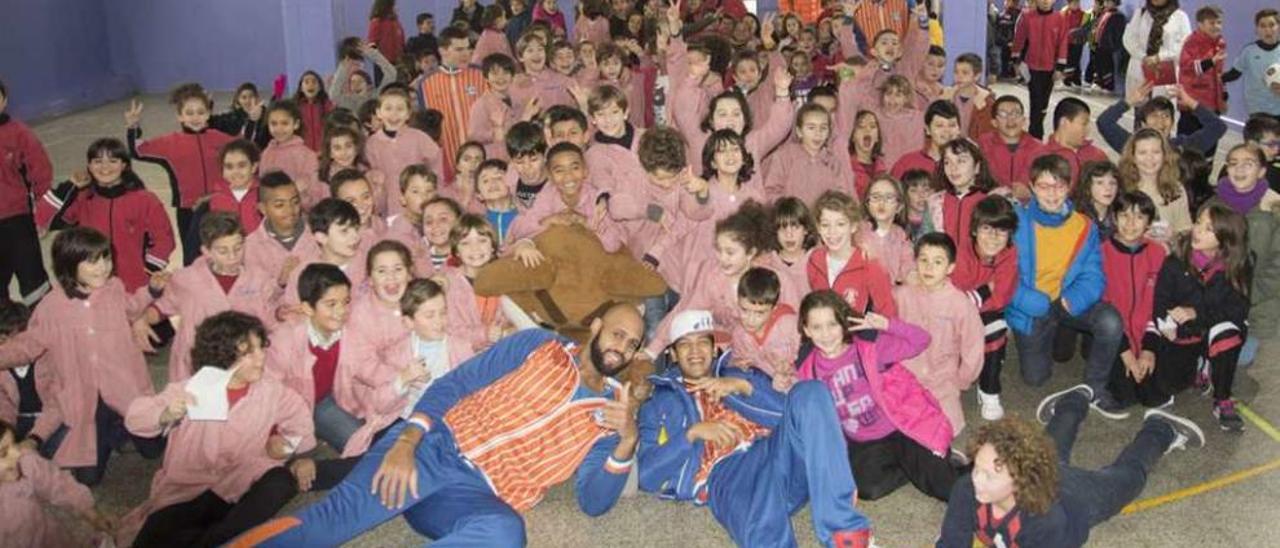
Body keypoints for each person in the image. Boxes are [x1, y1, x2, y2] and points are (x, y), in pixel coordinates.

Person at [230, 304, 648, 546]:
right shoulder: (540, 345)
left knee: (505, 533)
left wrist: (626, 441)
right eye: (617, 333)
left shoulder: (613, 411)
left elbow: (594, 504)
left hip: (475, 496)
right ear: (595, 326)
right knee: (332, 520)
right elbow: (457, 382)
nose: (621, 347)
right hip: (433, 449)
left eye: (632, 344)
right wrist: (407, 439)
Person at [637, 309, 873, 547]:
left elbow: (795, 417)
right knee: (764, 533)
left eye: (703, 342)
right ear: (673, 354)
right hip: (727, 473)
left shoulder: (742, 373)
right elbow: (646, 476)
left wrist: (744, 387)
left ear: (714, 348)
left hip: (775, 454)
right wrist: (692, 434)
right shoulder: (658, 403)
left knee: (810, 392)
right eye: (685, 344)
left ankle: (845, 533)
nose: (696, 351)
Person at [120, 311, 315, 547]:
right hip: (187, 490)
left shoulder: (271, 390)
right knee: (151, 538)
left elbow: (300, 420)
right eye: (247, 352)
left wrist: (289, 446)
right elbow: (136, 418)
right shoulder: (193, 388)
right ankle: (217, 538)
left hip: (241, 481)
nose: (260, 358)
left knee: (281, 481)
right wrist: (165, 414)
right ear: (222, 354)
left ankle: (214, 539)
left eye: (261, 348)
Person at [936, 386, 1205, 547]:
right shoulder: (967, 490)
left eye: (990, 475)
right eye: (976, 468)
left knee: (1128, 477)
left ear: (1020, 480)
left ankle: (1161, 428)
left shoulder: (1045, 521)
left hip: (1078, 498)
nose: (977, 480)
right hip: (1042, 477)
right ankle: (1073, 401)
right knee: (1050, 451)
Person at [0, 227, 165, 485]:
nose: (103, 267)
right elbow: (29, 344)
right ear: (68, 264)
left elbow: (132, 308)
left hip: (125, 388)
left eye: (106, 258)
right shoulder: (51, 306)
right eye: (92, 261)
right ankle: (112, 431)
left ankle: (120, 427)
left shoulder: (114, 288)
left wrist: (151, 292)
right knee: (88, 479)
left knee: (154, 449)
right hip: (84, 398)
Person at [796, 290, 959, 502]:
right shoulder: (806, 367)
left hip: (901, 427)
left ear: (844, 323)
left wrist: (887, 325)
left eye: (832, 324)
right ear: (806, 330)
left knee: (945, 486)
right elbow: (803, 405)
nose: (826, 334)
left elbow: (922, 341)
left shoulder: (869, 346)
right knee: (867, 489)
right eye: (817, 327)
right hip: (864, 441)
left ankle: (933, 461)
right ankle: (913, 468)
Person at [1008, 155, 1128, 418]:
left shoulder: (1083, 225)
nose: (1052, 194)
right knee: (1035, 379)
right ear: (1031, 186)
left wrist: (1073, 299)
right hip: (1031, 304)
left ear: (1069, 187)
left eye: (1059, 186)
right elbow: (1003, 274)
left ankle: (1095, 387)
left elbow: (1094, 274)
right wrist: (1028, 300)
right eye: (1043, 186)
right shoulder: (1016, 221)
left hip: (1065, 299)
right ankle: (1050, 335)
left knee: (1110, 321)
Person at [1141, 201, 1252, 432]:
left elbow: (1238, 309)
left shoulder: (1240, 263)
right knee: (1166, 387)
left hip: (1213, 325)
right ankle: (1203, 363)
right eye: (1198, 222)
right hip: (1186, 332)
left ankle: (1222, 398)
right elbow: (1160, 302)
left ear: (1225, 237)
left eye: (1208, 228)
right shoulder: (1175, 261)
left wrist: (1197, 313)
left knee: (1227, 334)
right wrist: (1169, 327)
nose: (1197, 231)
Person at [36, 137, 175, 293]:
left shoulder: (145, 200)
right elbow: (43, 219)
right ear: (89, 166)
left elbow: (164, 238)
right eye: (97, 161)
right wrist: (69, 186)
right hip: (94, 286)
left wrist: (148, 269)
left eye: (113, 161)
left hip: (136, 287)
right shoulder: (83, 199)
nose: (105, 167)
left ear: (124, 165)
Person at [126, 82, 235, 265]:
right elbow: (139, 150)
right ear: (180, 116)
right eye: (189, 113)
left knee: (224, 253)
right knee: (193, 258)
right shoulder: (170, 143)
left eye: (200, 112)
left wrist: (253, 120)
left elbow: (246, 148)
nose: (195, 118)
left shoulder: (219, 139)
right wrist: (133, 127)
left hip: (220, 205)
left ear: (208, 114)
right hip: (188, 210)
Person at [895, 233, 984, 434]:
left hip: (943, 379)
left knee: (948, 428)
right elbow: (887, 331)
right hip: (906, 374)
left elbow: (973, 347)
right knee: (899, 425)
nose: (929, 267)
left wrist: (963, 379)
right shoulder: (901, 295)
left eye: (937, 262)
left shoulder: (960, 304)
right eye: (923, 260)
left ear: (950, 267)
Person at [951, 196, 1019, 421]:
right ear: (974, 230)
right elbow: (955, 301)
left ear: (1010, 234)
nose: (993, 237)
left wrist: (976, 298)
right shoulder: (962, 251)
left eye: (1001, 231)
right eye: (987, 229)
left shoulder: (1010, 254)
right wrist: (983, 291)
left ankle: (989, 389)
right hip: (954, 315)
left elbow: (999, 298)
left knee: (996, 327)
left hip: (986, 312)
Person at [1098, 191, 1166, 411]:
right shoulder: (1101, 254)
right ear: (1114, 218)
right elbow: (1101, 307)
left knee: (1153, 396)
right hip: (1115, 337)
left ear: (1148, 222)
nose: (1131, 223)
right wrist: (1127, 353)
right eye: (1124, 215)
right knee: (1123, 397)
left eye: (1139, 217)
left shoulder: (1157, 253)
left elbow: (1160, 305)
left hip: (1148, 333)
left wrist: (1149, 349)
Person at [0, 419, 114, 547]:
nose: (17, 453)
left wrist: (92, 514)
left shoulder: (26, 463)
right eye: (3, 453)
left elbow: (59, 484)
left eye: (14, 444)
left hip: (48, 537)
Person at [1218, 144, 1280, 365]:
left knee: (1240, 359)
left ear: (1262, 171)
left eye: (1248, 164)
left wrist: (1248, 295)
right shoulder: (1213, 205)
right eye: (1233, 163)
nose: (1239, 169)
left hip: (1255, 304)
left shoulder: (1273, 212)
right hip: (1216, 300)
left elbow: (1276, 270)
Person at [807, 190, 898, 318]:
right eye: (825, 225)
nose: (832, 232)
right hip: (822, 334)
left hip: (854, 335)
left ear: (853, 226)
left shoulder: (868, 264)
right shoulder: (814, 259)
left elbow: (888, 312)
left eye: (840, 224)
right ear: (818, 228)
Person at [367, 85, 445, 217]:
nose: (394, 114)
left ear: (408, 113)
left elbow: (437, 166)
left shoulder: (420, 138)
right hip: (389, 207)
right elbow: (372, 178)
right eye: (388, 108)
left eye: (400, 109)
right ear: (379, 112)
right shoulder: (372, 143)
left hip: (421, 205)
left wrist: (435, 194)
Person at [420, 27, 487, 178]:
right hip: (445, 164)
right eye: (459, 49)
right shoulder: (426, 83)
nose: (466, 54)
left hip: (481, 161)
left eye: (468, 48)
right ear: (443, 51)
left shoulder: (482, 75)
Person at [0, 300, 60, 457]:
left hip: (53, 419)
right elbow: (4, 407)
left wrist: (34, 439)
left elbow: (57, 406)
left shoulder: (49, 358)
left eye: (13, 340)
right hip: (19, 421)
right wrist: (7, 433)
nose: (6, 348)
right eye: (1, 341)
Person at [1117, 128, 1191, 243]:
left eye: (1156, 152)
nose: (1149, 158)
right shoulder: (1120, 188)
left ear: (1164, 155)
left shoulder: (1176, 190)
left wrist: (1173, 236)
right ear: (1132, 157)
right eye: (1142, 153)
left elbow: (1186, 230)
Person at [1010, 0, 1071, 139]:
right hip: (1032, 68)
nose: (1045, 1)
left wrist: (1060, 68)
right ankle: (1035, 134)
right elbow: (1019, 39)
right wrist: (1015, 61)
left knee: (1043, 103)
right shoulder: (1027, 17)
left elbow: (1062, 43)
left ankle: (1037, 129)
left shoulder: (1060, 18)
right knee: (1036, 101)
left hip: (1050, 69)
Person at [978, 95, 1043, 199]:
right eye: (1003, 114)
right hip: (990, 206)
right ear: (994, 122)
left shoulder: (1039, 149)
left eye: (1016, 113)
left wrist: (1030, 194)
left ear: (1024, 120)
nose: (1010, 119)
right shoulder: (982, 145)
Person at [1122, 0, 1191, 95]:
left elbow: (1185, 45)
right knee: (1140, 105)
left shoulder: (1180, 17)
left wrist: (1160, 57)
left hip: (1165, 72)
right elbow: (1129, 39)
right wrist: (1143, 57)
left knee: (1162, 106)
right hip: (1141, 69)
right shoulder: (1140, 13)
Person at [1222, 9, 1280, 119]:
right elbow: (1234, 74)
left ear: (1278, 27)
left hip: (1278, 108)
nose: (1268, 30)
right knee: (1261, 136)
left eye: (1272, 25)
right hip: (1257, 109)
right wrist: (1215, 78)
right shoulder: (1249, 52)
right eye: (1262, 26)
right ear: (1257, 30)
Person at [208, 139, 265, 232]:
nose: (235, 172)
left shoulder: (265, 193)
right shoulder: (215, 198)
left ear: (254, 167)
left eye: (242, 165)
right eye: (229, 167)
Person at [367, 0, 406, 86]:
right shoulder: (377, 22)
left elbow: (402, 42)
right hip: (383, 65)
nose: (396, 8)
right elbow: (372, 44)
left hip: (397, 62)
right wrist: (381, 61)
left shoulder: (396, 23)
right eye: (394, 6)